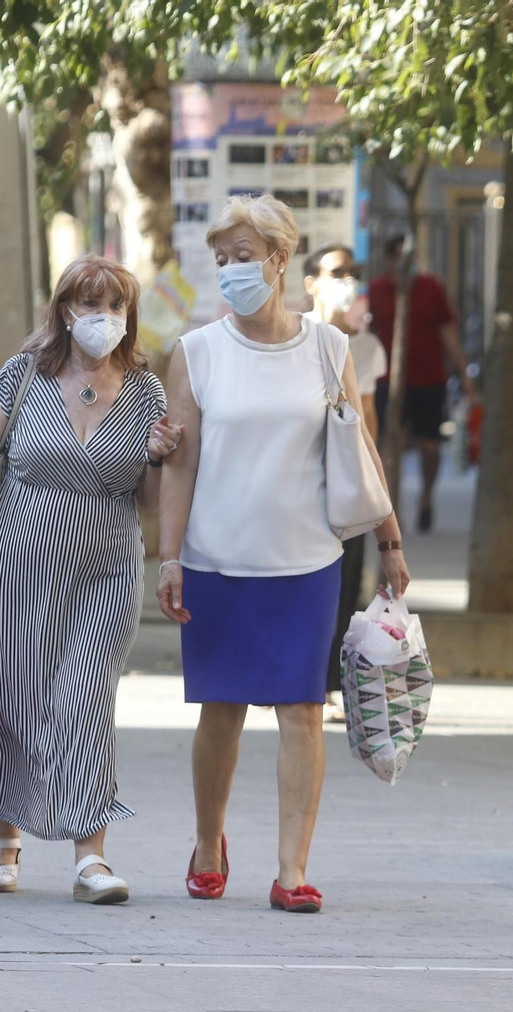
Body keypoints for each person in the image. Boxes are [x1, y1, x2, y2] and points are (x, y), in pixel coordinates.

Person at [156, 195, 412, 914]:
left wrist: (388, 538)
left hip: (306, 561)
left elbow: (358, 449)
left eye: (246, 256)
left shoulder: (330, 348)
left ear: (279, 259)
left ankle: (291, 869)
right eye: (223, 260)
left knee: (303, 707)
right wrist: (169, 556)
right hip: (216, 558)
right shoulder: (197, 351)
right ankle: (210, 843)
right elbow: (180, 464)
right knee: (222, 708)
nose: (234, 271)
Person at [0, 256, 177, 905]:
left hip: (108, 566)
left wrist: (156, 458)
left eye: (116, 307)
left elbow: (147, 499)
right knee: (9, 689)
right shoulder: (25, 374)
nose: (104, 320)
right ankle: (3, 835)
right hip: (16, 562)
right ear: (65, 311)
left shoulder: (147, 390)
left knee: (87, 695)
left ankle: (91, 854)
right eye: (92, 306)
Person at [303, 242, 389, 709]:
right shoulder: (294, 337)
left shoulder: (367, 347)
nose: (348, 280)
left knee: (346, 581)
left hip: (346, 484)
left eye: (353, 271)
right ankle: (304, 679)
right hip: (300, 488)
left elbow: (368, 424)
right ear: (310, 282)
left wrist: (375, 497)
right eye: (337, 271)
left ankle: (331, 686)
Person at [366, 234, 478, 533]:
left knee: (430, 447)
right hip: (387, 380)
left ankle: (426, 497)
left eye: (410, 257)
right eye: (400, 256)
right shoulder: (375, 291)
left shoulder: (431, 288)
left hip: (428, 379)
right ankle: (394, 511)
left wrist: (465, 375)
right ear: (390, 259)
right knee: (392, 443)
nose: (405, 264)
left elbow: (448, 333)